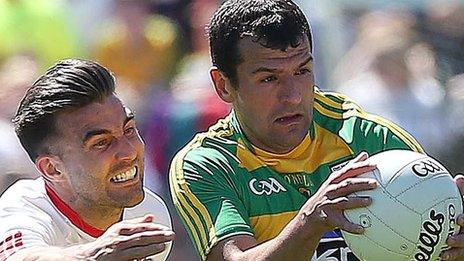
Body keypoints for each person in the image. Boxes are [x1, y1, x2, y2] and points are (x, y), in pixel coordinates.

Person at [169, 0, 464, 260]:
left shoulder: (372, 140)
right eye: (269, 79)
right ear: (224, 85)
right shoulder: (206, 164)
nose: (293, 96)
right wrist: (310, 222)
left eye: (302, 71)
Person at [0, 59, 175, 260]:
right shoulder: (23, 207)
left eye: (129, 130)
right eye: (101, 143)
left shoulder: (150, 214)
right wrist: (90, 256)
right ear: (52, 169)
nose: (128, 152)